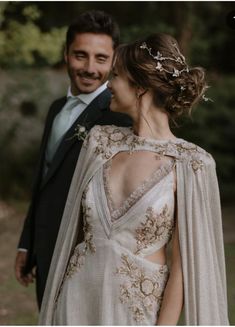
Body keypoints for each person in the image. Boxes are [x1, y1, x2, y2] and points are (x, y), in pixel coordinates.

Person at [39, 33, 229, 325]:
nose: (109, 83)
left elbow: (182, 267)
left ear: (140, 86)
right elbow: (72, 231)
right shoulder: (99, 142)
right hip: (76, 302)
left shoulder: (192, 164)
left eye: (116, 75)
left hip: (134, 313)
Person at [15, 10, 131, 308]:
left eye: (101, 59)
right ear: (65, 55)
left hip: (87, 261)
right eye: (81, 55)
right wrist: (28, 242)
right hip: (45, 249)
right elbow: (44, 179)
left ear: (114, 60)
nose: (90, 68)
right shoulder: (56, 109)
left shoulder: (120, 119)